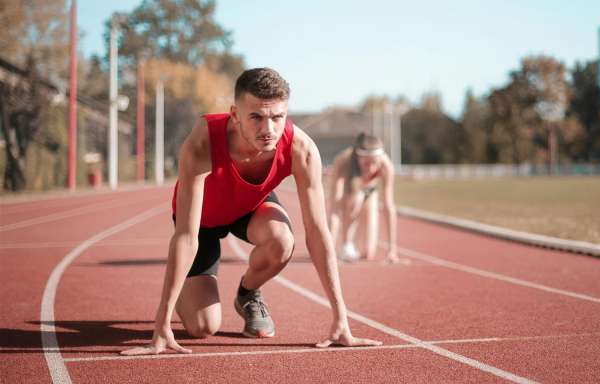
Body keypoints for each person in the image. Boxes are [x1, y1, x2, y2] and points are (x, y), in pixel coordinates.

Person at [121, 68, 381, 356]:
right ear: (235, 114)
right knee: (202, 327)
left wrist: (341, 319)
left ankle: (248, 293)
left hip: (249, 208)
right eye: (256, 117)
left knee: (282, 240)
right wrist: (161, 324)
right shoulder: (202, 142)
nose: (268, 129)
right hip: (202, 221)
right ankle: (184, 288)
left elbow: (318, 233)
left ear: (286, 113)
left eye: (277, 117)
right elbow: (186, 235)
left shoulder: (301, 150)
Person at [327, 133, 402, 264]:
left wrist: (392, 250)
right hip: (349, 193)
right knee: (355, 199)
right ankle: (346, 244)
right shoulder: (343, 162)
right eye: (366, 163)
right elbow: (334, 208)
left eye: (375, 163)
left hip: (370, 193)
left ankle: (354, 245)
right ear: (358, 158)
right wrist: (328, 247)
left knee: (367, 253)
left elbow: (388, 206)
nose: (371, 168)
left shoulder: (386, 166)